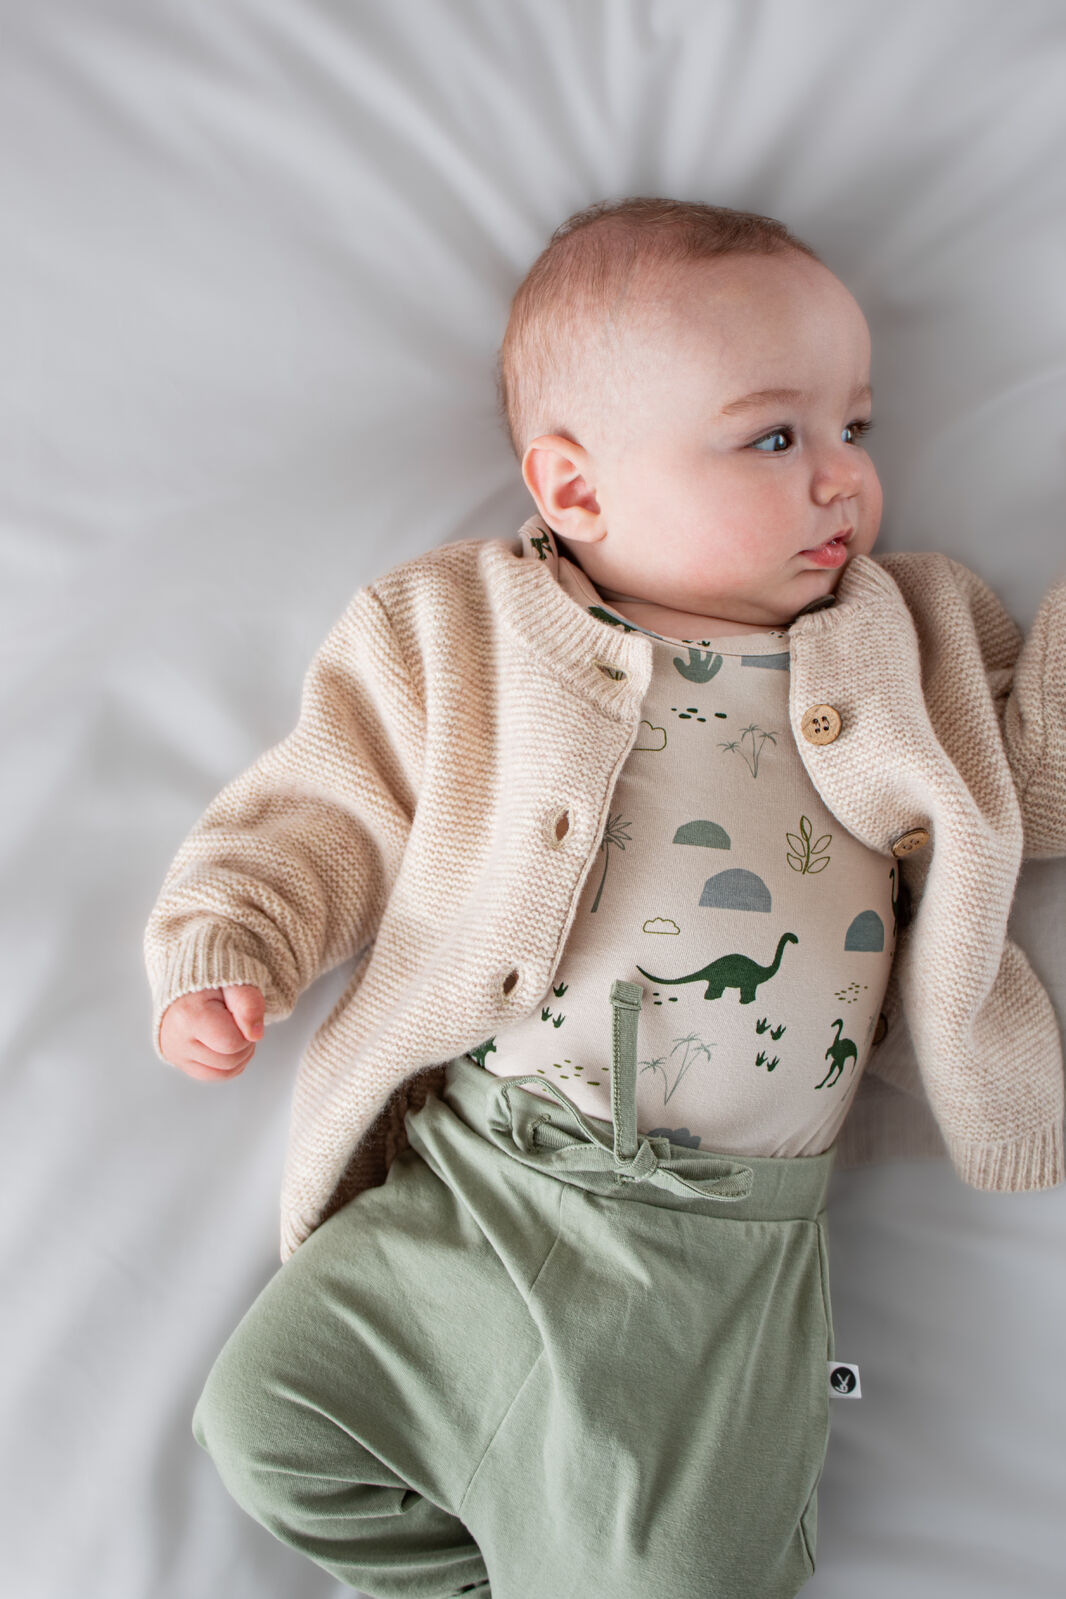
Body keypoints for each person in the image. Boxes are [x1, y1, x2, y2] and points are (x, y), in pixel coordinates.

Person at [143, 197, 1066, 1599]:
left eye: (854, 431)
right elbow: (323, 807)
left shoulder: (906, 636)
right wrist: (238, 944)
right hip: (485, 1176)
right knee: (266, 1424)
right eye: (774, 436)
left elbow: (1032, 785)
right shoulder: (454, 635)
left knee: (674, 1574)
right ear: (574, 490)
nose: (840, 482)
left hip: (716, 1243)